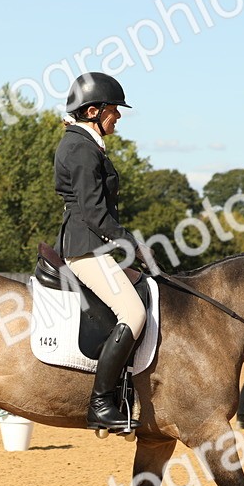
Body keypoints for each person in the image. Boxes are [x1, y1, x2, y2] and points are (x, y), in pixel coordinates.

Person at [55, 72, 146, 432]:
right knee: (133, 313)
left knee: (150, 293)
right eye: (113, 110)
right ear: (93, 110)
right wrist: (131, 243)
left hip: (94, 246)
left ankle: (127, 391)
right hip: (85, 249)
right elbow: (95, 212)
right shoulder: (79, 147)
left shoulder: (85, 143)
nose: (118, 117)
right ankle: (101, 404)